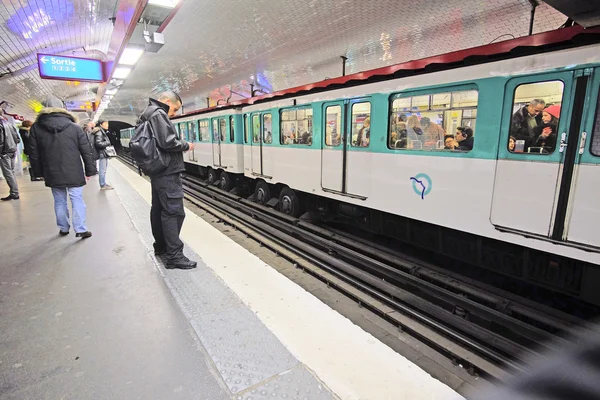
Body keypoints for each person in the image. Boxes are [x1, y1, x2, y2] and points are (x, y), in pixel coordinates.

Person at [138, 91, 197, 270]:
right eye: (175, 109)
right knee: (174, 212)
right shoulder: (158, 113)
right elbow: (168, 142)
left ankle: (162, 247)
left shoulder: (148, 114)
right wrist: (186, 145)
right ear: (166, 101)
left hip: (158, 171)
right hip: (167, 171)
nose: (174, 114)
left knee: (158, 210)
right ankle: (174, 256)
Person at [28, 97, 97, 238]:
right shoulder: (75, 127)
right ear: (63, 109)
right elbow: (86, 150)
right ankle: (81, 229)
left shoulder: (36, 128)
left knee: (59, 200)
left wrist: (38, 172)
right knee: (76, 198)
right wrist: (90, 170)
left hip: (51, 171)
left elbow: (33, 153)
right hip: (74, 170)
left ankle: (64, 228)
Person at [0, 110, 20, 201]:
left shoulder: (0, 124)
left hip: (4, 152)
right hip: (12, 150)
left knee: (8, 173)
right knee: (11, 172)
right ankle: (14, 192)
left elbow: (1, 140)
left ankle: (14, 193)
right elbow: (17, 139)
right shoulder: (8, 123)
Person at [93, 119, 113, 190]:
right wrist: (107, 143)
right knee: (102, 170)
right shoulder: (99, 132)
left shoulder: (101, 131)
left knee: (103, 170)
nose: (107, 125)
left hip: (103, 153)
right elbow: (98, 143)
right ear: (101, 124)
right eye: (106, 123)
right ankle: (102, 185)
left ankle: (103, 183)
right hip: (102, 154)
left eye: (108, 123)